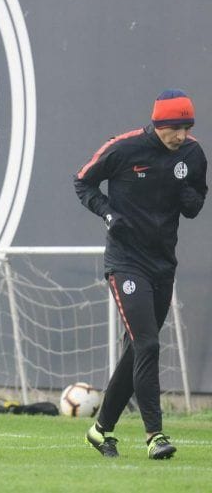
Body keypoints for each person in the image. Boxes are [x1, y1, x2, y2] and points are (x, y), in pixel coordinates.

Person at [74, 89, 207, 460]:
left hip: (163, 264)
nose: (181, 136)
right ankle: (155, 435)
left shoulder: (192, 154)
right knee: (148, 344)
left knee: (137, 350)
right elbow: (83, 181)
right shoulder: (123, 148)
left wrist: (188, 197)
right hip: (126, 262)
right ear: (159, 124)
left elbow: (196, 198)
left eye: (187, 127)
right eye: (175, 128)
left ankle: (100, 431)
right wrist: (107, 212)